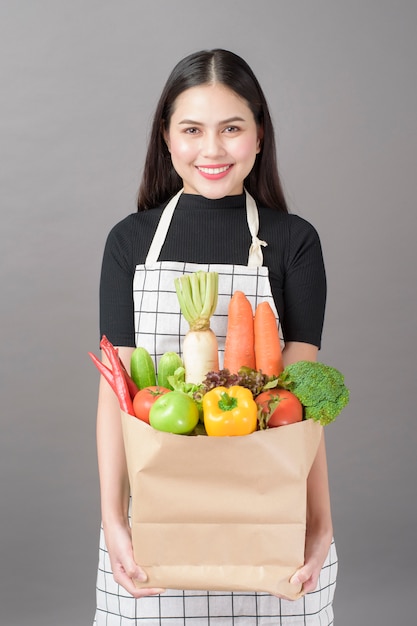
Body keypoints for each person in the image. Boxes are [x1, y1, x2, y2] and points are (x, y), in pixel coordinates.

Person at [93, 49, 338, 626]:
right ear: (166, 138)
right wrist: (113, 522)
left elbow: (301, 405)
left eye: (231, 129)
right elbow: (115, 395)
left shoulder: (294, 242)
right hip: (157, 523)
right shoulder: (128, 243)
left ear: (258, 136)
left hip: (269, 522)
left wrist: (320, 523)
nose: (211, 149)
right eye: (192, 130)